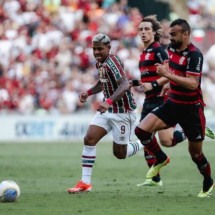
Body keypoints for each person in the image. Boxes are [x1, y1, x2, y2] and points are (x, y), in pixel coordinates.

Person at [131, 15, 215, 187]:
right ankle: (158, 168)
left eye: (174, 34)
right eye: (170, 35)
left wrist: (163, 79)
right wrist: (167, 83)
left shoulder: (194, 54)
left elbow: (192, 84)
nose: (170, 38)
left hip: (191, 108)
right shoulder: (168, 49)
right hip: (172, 103)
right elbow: (171, 74)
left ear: (185, 35)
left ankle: (208, 180)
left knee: (195, 154)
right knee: (142, 131)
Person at [67, 33, 143, 194]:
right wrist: (88, 92)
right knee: (89, 138)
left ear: (109, 48)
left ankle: (145, 142)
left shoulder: (113, 61)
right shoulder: (100, 63)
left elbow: (124, 85)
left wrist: (108, 102)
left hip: (122, 112)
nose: (96, 52)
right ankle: (85, 183)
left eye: (100, 49)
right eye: (94, 49)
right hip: (107, 110)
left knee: (120, 154)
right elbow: (103, 84)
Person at [130, 15, 186, 187]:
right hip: (149, 100)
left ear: (154, 33)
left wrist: (154, 84)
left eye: (147, 29)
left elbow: (172, 74)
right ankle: (155, 179)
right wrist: (132, 84)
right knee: (145, 137)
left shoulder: (159, 50)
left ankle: (192, 130)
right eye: (141, 29)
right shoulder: (143, 54)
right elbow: (148, 79)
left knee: (166, 141)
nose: (143, 32)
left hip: (162, 100)